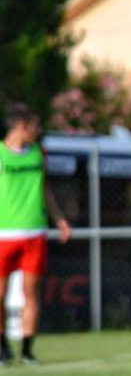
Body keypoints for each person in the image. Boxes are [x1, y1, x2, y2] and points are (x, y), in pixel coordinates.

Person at [0, 103, 72, 365]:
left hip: (34, 232)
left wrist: (59, 219)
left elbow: (45, 190)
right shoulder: (0, 154)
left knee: (31, 291)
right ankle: (2, 347)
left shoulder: (39, 154)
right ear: (21, 126)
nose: (37, 131)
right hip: (3, 234)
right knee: (0, 292)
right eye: (34, 126)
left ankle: (27, 350)